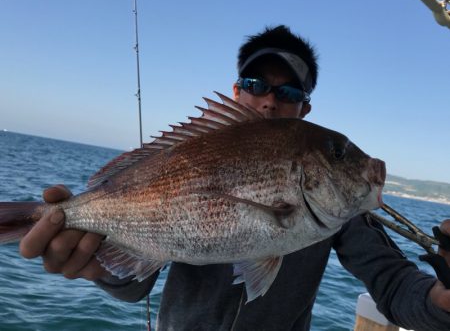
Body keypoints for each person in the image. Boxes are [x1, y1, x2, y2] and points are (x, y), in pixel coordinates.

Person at [19, 25, 450, 330]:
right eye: (256, 83)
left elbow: (393, 283)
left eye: (288, 92)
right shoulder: (191, 152)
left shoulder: (343, 211)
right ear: (236, 91)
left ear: (304, 108)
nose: (268, 101)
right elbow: (135, 287)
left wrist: (441, 302)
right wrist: (97, 268)